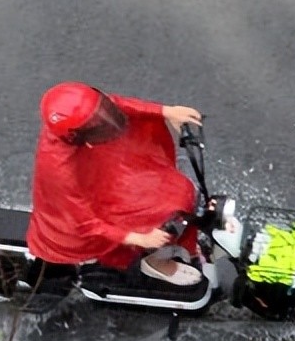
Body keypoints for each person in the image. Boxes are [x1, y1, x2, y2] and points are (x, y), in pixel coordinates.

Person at [27, 82, 204, 286]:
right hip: (79, 219)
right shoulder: (59, 170)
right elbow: (84, 223)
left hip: (98, 178)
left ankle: (164, 249)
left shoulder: (78, 126)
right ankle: (155, 261)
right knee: (167, 209)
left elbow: (115, 104)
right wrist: (139, 239)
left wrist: (165, 111)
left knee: (176, 190)